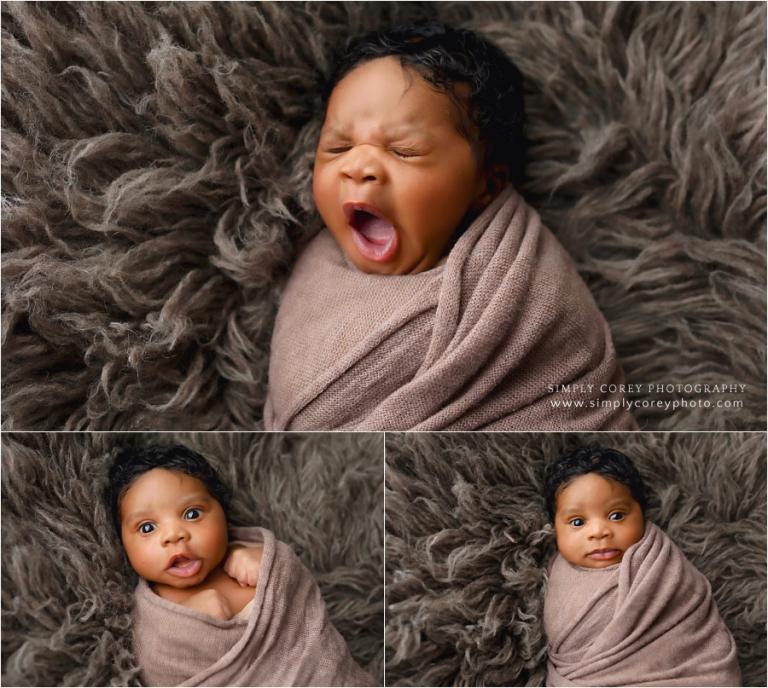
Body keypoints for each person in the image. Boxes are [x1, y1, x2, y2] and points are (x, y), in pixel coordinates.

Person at [265, 21, 637, 432]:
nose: (358, 167)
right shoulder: (315, 268)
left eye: (404, 151)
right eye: (338, 147)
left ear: (486, 184)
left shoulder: (527, 291)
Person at [108, 444, 375, 687]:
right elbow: (159, 666)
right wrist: (192, 628)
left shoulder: (259, 555)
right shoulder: (152, 622)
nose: (174, 535)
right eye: (147, 528)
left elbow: (299, 606)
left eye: (192, 514)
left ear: (222, 513)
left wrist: (266, 563)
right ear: (122, 543)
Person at [542, 447, 741, 686]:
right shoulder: (556, 575)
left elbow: (698, 636)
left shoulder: (663, 566)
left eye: (616, 516)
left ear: (642, 514)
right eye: (577, 522)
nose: (599, 532)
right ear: (555, 528)